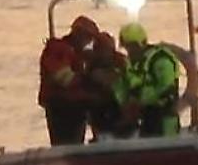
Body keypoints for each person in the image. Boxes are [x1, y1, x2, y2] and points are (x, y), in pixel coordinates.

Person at [38, 15, 99, 145]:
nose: (88, 42)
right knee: (65, 143)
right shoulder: (57, 50)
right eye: (88, 37)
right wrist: (88, 79)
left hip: (75, 106)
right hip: (61, 107)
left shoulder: (77, 54)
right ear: (79, 33)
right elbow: (63, 78)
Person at [116, 22, 182, 137]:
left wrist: (140, 101)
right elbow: (124, 86)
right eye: (127, 47)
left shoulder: (160, 59)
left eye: (132, 46)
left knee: (165, 145)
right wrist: (125, 104)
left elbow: (166, 89)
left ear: (141, 43)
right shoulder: (130, 64)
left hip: (164, 117)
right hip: (145, 118)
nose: (130, 50)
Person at [84, 31, 134, 140]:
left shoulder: (121, 61)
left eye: (106, 48)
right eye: (100, 48)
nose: (103, 52)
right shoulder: (92, 64)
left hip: (119, 108)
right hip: (99, 109)